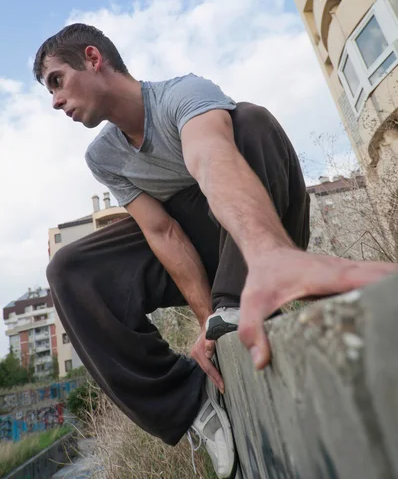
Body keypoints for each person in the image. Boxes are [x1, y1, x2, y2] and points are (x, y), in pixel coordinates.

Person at [34, 23, 396, 478]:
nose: (55, 102)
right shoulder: (103, 157)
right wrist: (210, 320)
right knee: (69, 270)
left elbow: (211, 158)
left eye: (56, 81)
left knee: (250, 120)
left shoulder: (183, 93)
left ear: (92, 58)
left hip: (262, 217)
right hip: (203, 249)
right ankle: (192, 402)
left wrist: (264, 253)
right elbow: (163, 233)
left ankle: (263, 275)